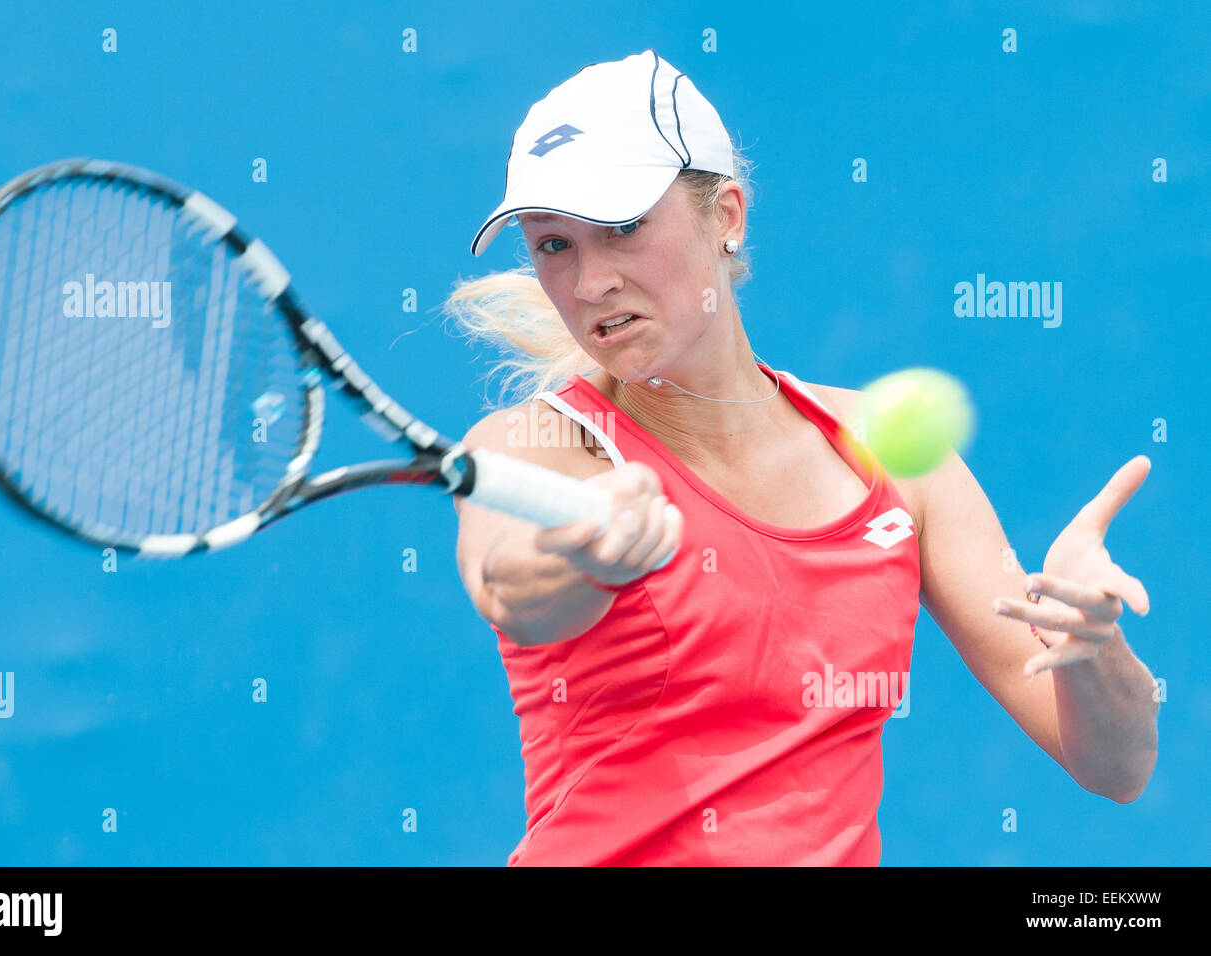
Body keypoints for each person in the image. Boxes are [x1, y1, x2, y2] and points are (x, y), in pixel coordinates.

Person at [444, 49, 1158, 866]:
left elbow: (1119, 767)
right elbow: (512, 585)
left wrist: (1094, 646)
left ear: (727, 216)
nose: (590, 281)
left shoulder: (895, 465)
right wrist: (584, 556)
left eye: (623, 228)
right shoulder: (534, 450)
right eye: (552, 246)